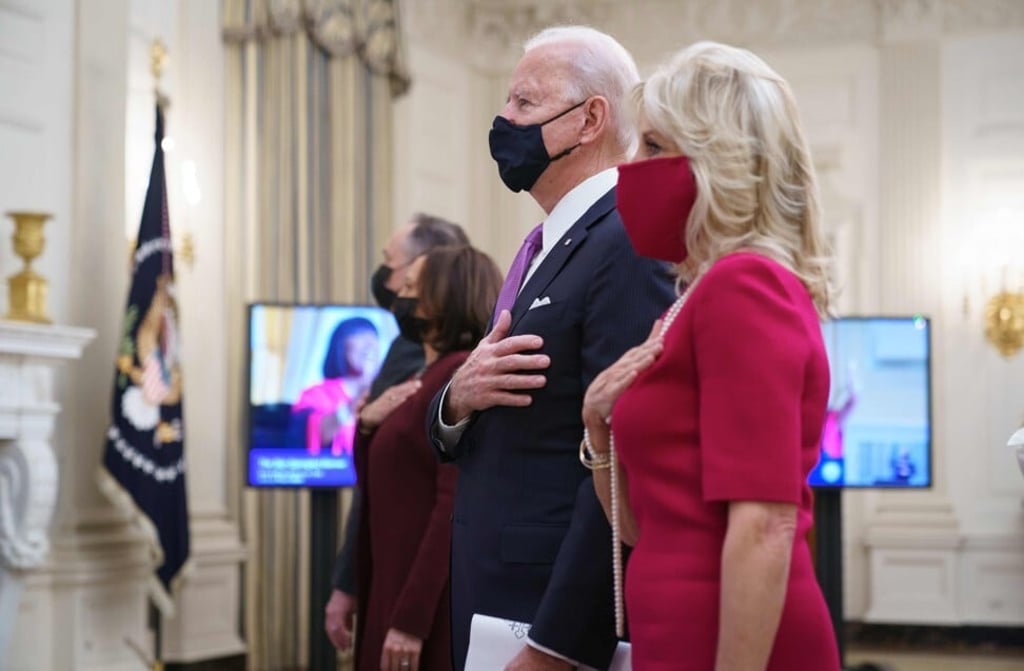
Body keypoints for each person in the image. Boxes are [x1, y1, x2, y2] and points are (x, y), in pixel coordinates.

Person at [581, 41, 840, 670]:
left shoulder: (745, 284)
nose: (631, 166)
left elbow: (765, 524)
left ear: (718, 162)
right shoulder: (689, 299)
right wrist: (595, 426)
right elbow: (644, 527)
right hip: (680, 629)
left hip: (735, 639)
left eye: (655, 147)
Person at [426, 26, 675, 671]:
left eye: (524, 105)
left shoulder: (627, 239)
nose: (502, 121)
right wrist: (455, 399)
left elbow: (618, 460)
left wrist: (557, 646)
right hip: (494, 600)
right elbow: (494, 414)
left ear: (590, 119)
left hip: (548, 622)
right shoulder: (545, 245)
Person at [354, 244, 503, 671]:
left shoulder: (460, 377)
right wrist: (365, 427)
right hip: (393, 581)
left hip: (425, 605)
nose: (400, 292)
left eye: (413, 287)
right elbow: (388, 477)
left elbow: (450, 508)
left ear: (446, 297)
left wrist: (411, 621)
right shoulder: (425, 376)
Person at [325, 213, 469, 651]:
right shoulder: (410, 349)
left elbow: (432, 491)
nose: (386, 279)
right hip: (393, 568)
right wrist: (366, 424)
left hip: (414, 585)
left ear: (425, 271)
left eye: (392, 265)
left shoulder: (442, 363)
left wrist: (349, 581)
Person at [293, 317, 380, 456]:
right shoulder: (316, 395)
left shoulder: (388, 393)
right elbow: (316, 434)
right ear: (341, 345)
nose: (368, 343)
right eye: (358, 335)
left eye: (373, 336)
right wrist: (360, 395)